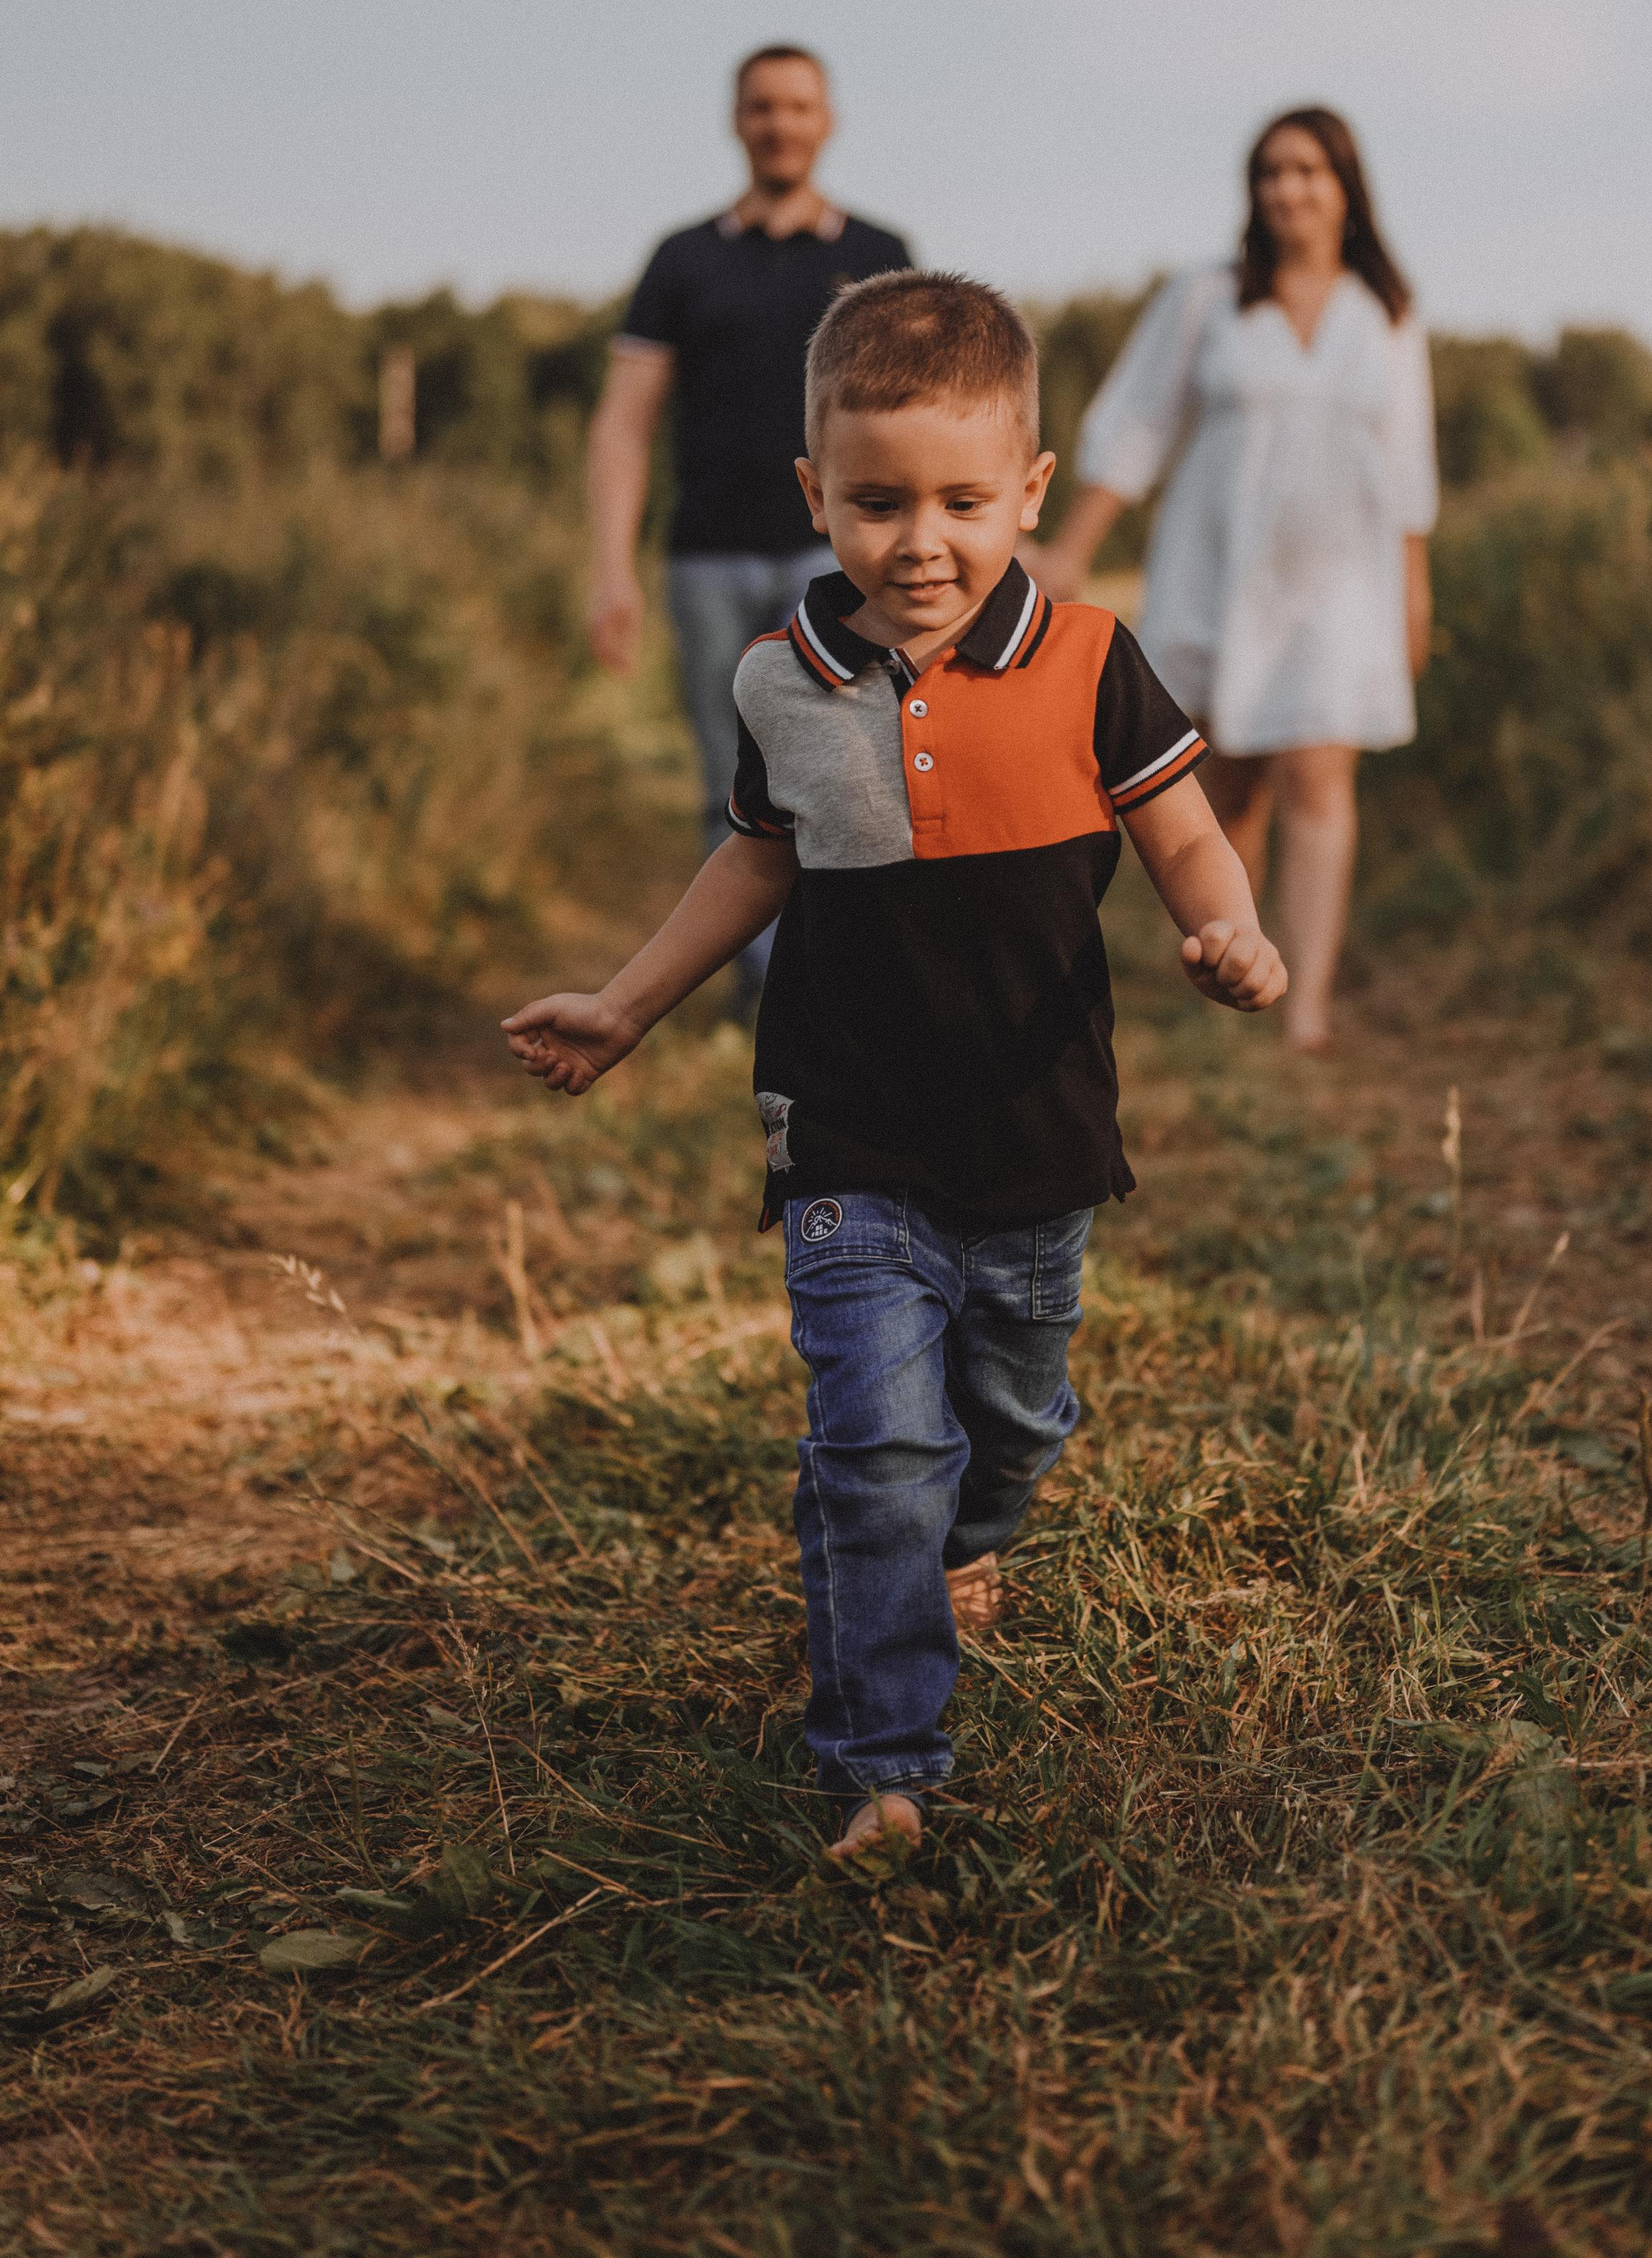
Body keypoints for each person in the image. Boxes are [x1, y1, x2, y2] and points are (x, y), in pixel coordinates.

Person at [504, 271, 1286, 1867]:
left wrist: (1230, 934)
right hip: (844, 1126)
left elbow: (1185, 832)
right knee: (873, 1446)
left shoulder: (1085, 658)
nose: (916, 541)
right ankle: (883, 1766)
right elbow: (751, 861)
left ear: (1030, 494)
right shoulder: (781, 677)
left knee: (1010, 1416)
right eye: (872, 504)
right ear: (815, 495)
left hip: (1035, 1130)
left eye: (958, 502)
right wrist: (632, 1002)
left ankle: (965, 1539)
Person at [1027, 106, 1437, 1054]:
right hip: (1221, 577)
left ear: (1345, 186)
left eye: (1308, 170)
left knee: (1320, 777)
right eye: (1271, 172)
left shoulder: (1387, 315)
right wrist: (1074, 545)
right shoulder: (1207, 297)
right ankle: (1232, 967)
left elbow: (1407, 463)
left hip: (1342, 581)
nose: (1288, 189)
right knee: (1229, 791)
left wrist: (1414, 588)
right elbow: (1136, 426)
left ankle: (1308, 1008)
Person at [586, 44, 911, 1007]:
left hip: (839, 552)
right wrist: (611, 569)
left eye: (799, 106)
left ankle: (843, 984)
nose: (781, 123)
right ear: (738, 120)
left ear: (828, 120)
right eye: (763, 107)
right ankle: (762, 995)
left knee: (849, 774)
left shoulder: (880, 256)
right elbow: (622, 424)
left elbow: (926, 417)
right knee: (730, 784)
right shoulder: (682, 260)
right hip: (707, 558)